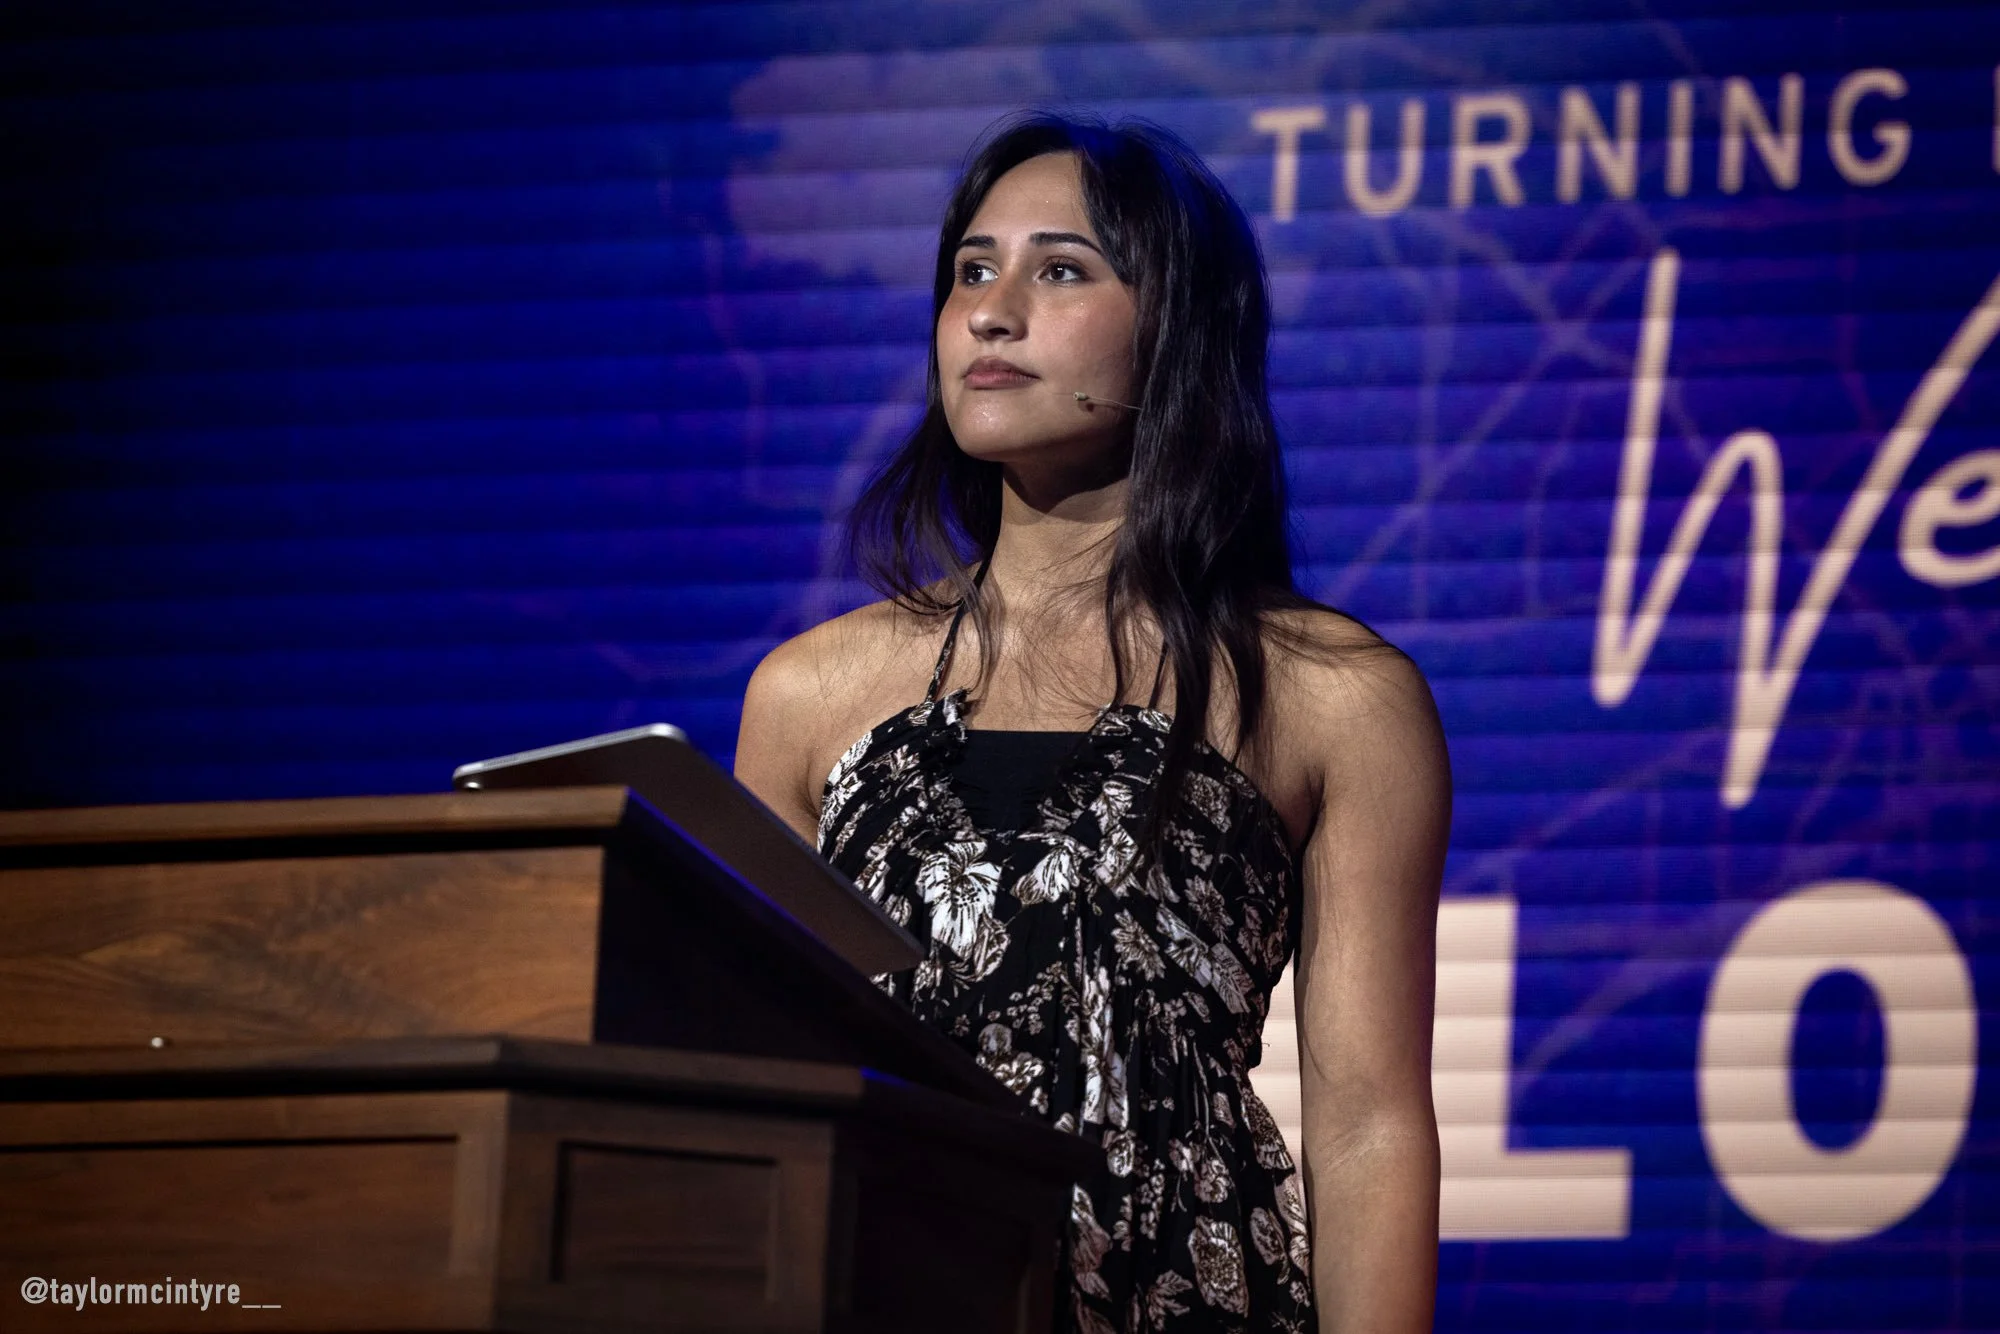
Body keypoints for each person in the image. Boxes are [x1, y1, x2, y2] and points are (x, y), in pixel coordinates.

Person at [734, 113, 1447, 1334]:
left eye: (1059, 268)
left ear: (1177, 329)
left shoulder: (1330, 691)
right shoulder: (808, 692)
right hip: (872, 1276)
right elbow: (741, 1069)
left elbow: (1366, 1113)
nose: (990, 311)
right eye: (970, 268)